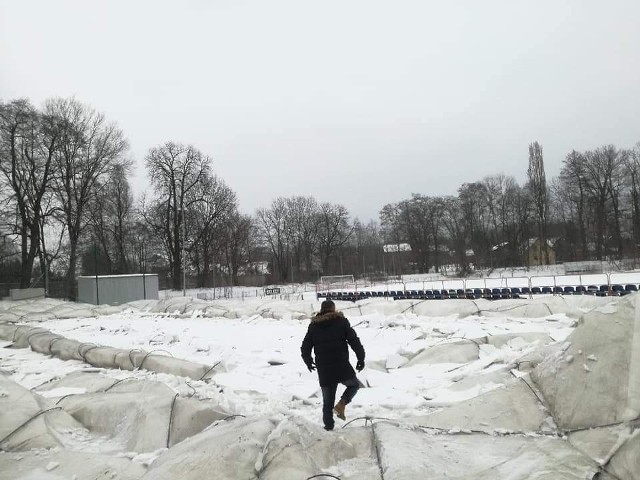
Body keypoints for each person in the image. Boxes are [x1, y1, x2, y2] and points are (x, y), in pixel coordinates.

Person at [301, 299, 365, 431]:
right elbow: (354, 340)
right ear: (333, 309)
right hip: (341, 365)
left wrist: (308, 361)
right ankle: (342, 404)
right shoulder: (341, 322)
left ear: (321, 310)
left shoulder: (313, 326)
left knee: (327, 402)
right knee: (354, 385)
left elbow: (305, 347)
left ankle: (328, 427)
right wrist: (361, 358)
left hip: (324, 369)